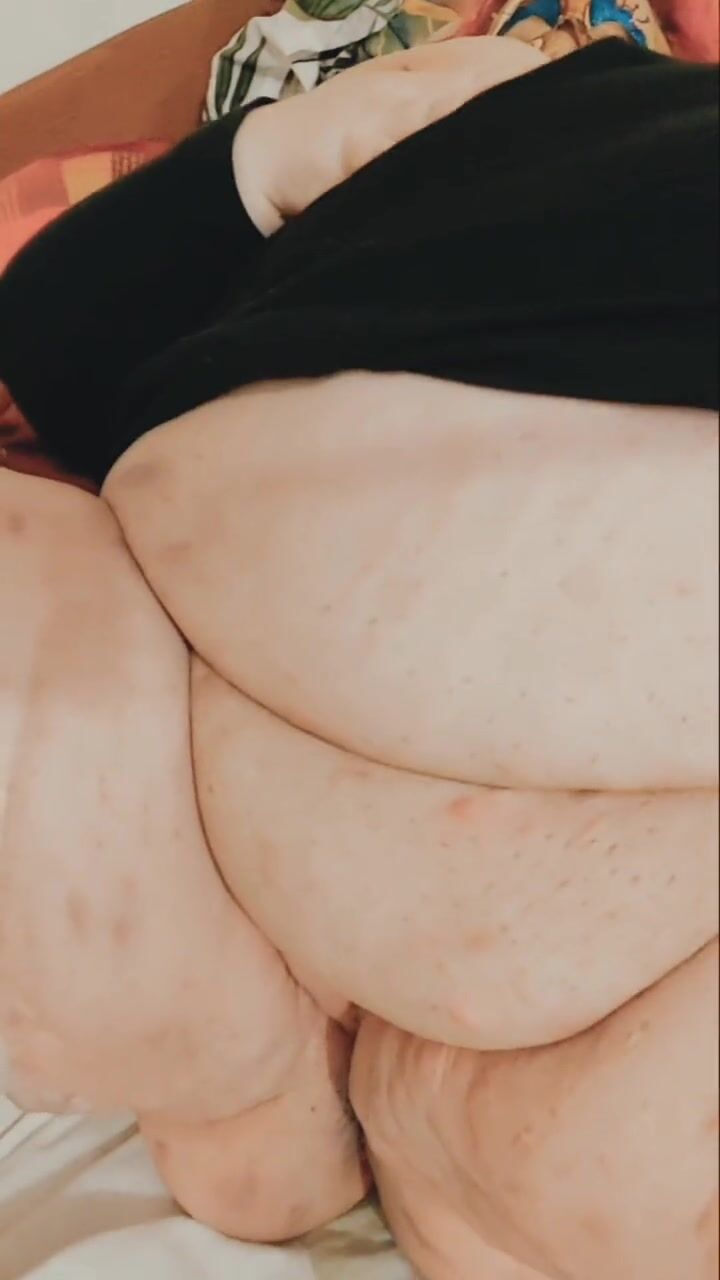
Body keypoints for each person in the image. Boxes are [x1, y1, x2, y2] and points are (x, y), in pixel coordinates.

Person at [0, 33, 717, 1280]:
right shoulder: (542, 99)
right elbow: (56, 326)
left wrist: (271, 161)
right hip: (236, 692)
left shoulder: (524, 92)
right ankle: (298, 1108)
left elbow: (56, 324)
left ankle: (271, 1106)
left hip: (232, 622)